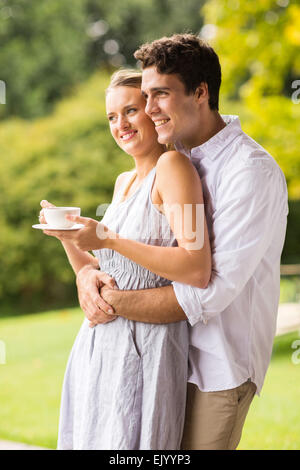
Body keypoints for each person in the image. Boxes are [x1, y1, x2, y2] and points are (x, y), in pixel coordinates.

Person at [74, 34, 289, 450]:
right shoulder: (177, 158)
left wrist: (108, 304)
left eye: (159, 95)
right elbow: (136, 259)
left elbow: (207, 288)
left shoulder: (250, 172)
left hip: (216, 369)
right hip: (162, 359)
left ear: (201, 92)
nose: (149, 109)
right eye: (146, 97)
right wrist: (89, 279)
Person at [39, 69, 211, 450]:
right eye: (112, 117)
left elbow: (196, 266)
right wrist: (69, 239)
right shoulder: (123, 182)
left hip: (147, 349)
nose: (121, 125)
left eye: (130, 111)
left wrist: (107, 238)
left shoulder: (175, 168)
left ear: (153, 109)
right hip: (100, 350)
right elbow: (100, 272)